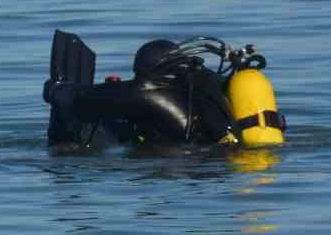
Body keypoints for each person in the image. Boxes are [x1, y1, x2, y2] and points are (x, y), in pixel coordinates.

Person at [43, 32, 284, 148]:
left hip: (196, 163)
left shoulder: (150, 90)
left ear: (146, 71)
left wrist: (55, 89)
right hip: (225, 157)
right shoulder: (201, 82)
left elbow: (83, 99)